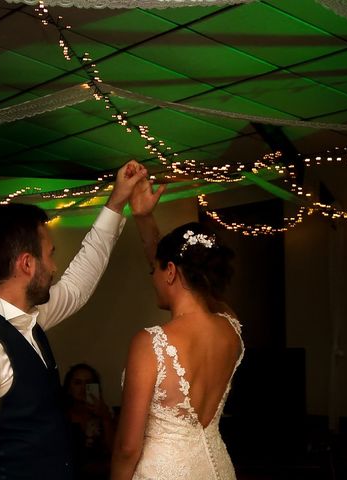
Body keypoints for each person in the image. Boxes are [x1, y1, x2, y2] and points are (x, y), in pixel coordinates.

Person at [0, 161, 147, 480]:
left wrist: (116, 203)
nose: (53, 267)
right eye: (50, 254)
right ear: (27, 264)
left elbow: (78, 285)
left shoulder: (30, 318)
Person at [111, 177, 244, 480]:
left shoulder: (150, 343)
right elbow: (182, 275)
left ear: (169, 271)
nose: (152, 277)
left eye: (153, 270)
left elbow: (127, 448)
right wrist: (144, 218)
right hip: (218, 470)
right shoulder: (231, 328)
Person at [63, 363, 115, 480]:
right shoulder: (61, 416)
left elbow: (116, 452)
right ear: (69, 388)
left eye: (88, 383)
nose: (83, 388)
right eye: (77, 383)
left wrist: (105, 417)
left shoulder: (106, 413)